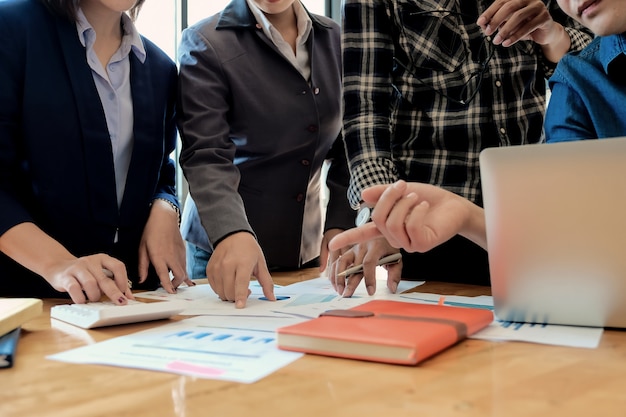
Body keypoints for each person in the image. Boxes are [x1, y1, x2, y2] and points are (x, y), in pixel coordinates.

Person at [330, 0, 626, 289]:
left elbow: (595, 52)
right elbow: (365, 109)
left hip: (526, 215)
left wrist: (553, 33)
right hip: (429, 222)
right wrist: (382, 214)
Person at [0, 0, 193, 305]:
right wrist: (59, 263)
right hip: (23, 300)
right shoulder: (10, 27)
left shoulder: (159, 68)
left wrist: (166, 208)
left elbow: (159, 171)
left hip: (128, 302)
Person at [177, 0, 355, 308]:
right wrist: (231, 232)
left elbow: (349, 146)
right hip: (226, 243)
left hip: (307, 249)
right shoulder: (205, 41)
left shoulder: (338, 38)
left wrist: (339, 224)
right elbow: (207, 155)